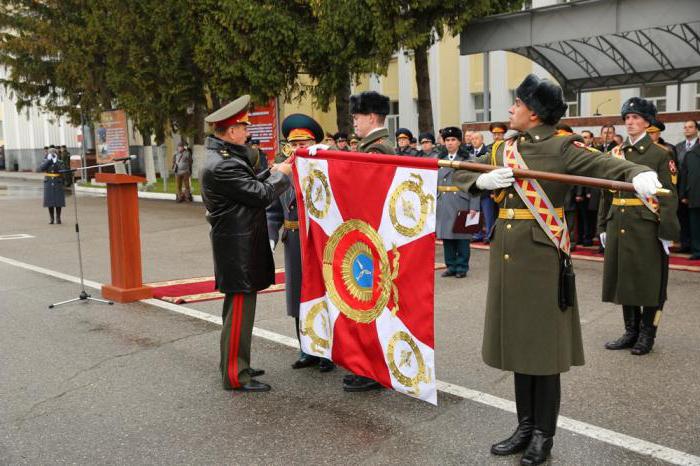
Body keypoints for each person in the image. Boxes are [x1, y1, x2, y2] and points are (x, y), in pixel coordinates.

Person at [453, 74, 656, 465]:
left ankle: (543, 435)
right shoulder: (504, 148)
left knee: (541, 351)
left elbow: (604, 166)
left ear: (533, 112)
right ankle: (524, 426)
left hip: (541, 260)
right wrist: (481, 180)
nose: (511, 109)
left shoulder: (562, 147)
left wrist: (636, 174)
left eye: (517, 103)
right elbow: (459, 170)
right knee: (518, 345)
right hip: (508, 259)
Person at [200, 95, 292, 392]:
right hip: (236, 248)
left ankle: (238, 363)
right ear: (229, 131)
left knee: (240, 310)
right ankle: (235, 375)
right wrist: (283, 176)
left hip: (238, 244)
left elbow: (252, 183)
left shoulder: (226, 159)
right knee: (239, 311)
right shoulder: (222, 165)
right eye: (242, 126)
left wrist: (276, 170)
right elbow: (260, 194)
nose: (246, 131)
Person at [599, 98, 680, 357]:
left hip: (646, 225)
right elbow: (606, 191)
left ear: (647, 121)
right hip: (618, 222)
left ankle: (647, 334)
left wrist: (667, 231)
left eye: (635, 117)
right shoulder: (617, 153)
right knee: (625, 277)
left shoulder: (660, 154)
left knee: (649, 280)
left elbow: (668, 195)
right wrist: (603, 224)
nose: (630, 122)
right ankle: (630, 331)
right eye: (627, 118)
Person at [267, 114, 335, 372]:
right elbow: (272, 209)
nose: (298, 150)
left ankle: (327, 352)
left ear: (315, 144)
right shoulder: (282, 171)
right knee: (298, 295)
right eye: (294, 145)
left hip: (320, 240)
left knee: (323, 294)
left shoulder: (325, 169)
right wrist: (271, 235)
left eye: (304, 144)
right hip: (294, 240)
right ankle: (306, 348)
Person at [343, 90, 394, 392]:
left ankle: (373, 369)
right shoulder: (370, 145)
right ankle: (366, 365)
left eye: (357, 117)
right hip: (369, 235)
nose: (354, 123)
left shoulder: (378, 148)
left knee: (371, 303)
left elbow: (365, 191)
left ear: (372, 117)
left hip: (374, 236)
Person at [437, 127, 479, 278]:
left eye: (453, 140)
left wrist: (474, 207)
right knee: (447, 236)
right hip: (444, 201)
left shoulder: (467, 160)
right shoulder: (439, 159)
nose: (449, 143)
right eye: (447, 140)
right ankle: (451, 266)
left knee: (462, 236)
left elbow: (475, 184)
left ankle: (462, 267)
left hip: (462, 200)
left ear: (459, 142)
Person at [675, 120, 698, 252]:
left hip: (695, 187)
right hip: (681, 187)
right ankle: (685, 244)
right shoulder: (678, 147)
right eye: (685, 127)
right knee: (682, 218)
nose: (687, 129)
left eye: (690, 127)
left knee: (695, 219)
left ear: (696, 129)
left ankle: (696, 246)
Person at [680, 143, 700, 259]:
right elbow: (684, 175)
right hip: (694, 195)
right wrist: (683, 194)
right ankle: (697, 250)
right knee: (695, 225)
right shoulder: (690, 154)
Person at [39, 146, 67, 224]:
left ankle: (58, 218)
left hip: (57, 182)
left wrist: (56, 161)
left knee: (58, 201)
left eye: (53, 153)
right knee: (49, 202)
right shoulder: (45, 161)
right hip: (48, 182)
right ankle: (51, 218)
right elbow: (41, 168)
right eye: (50, 153)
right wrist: (48, 160)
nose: (52, 155)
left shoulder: (59, 161)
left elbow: (62, 170)